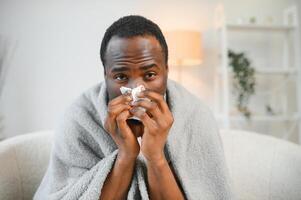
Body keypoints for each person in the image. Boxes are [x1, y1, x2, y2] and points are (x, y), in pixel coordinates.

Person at [34, 15, 233, 200]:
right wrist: (126, 155)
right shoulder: (79, 118)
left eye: (150, 75)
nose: (136, 90)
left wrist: (156, 157)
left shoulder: (195, 115)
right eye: (121, 77)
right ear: (105, 75)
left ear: (166, 70)